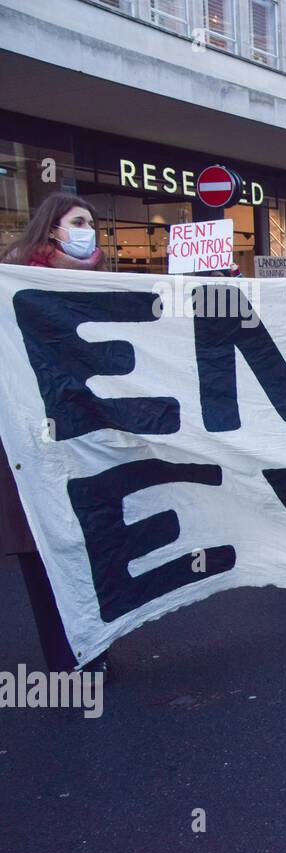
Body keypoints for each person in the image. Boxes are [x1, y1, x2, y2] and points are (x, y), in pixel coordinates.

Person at [0, 193, 108, 673]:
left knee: (89, 540)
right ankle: (68, 656)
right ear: (52, 229)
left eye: (93, 223)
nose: (89, 230)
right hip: (28, 441)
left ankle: (95, 640)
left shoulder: (102, 284)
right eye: (79, 221)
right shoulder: (12, 283)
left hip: (84, 438)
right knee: (45, 546)